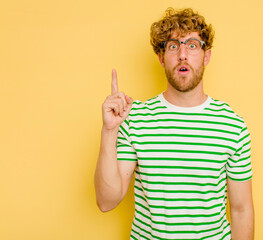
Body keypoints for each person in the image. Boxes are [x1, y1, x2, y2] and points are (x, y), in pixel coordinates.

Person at [94, 7, 254, 240]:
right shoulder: (136, 119)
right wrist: (109, 131)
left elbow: (241, 210)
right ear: (161, 58)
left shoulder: (232, 125)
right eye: (173, 46)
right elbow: (106, 201)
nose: (182, 55)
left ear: (206, 55)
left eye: (191, 45)